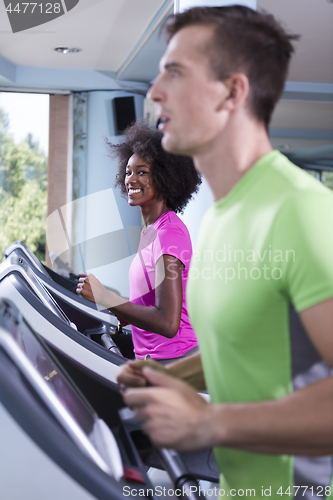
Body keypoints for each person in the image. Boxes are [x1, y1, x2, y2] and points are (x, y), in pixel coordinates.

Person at [117, 6, 333, 499]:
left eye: (175, 72)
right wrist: (164, 375)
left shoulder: (301, 212)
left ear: (233, 92)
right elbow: (242, 349)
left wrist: (211, 422)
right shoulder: (219, 218)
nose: (154, 91)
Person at [76, 120, 201, 362]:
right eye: (128, 172)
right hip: (152, 359)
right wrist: (120, 309)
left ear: (166, 177)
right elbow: (151, 302)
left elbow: (167, 322)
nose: (131, 180)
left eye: (142, 172)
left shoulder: (168, 234)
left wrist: (106, 298)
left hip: (174, 361)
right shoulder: (150, 231)